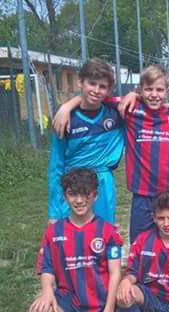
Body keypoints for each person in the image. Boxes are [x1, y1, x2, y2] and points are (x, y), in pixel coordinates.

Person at [53, 65, 169, 243]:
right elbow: (97, 97)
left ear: (167, 91)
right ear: (140, 90)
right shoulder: (130, 108)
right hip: (142, 192)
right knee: (139, 243)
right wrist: (66, 107)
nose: (154, 94)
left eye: (160, 90)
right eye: (148, 89)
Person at [29, 168, 123, 312]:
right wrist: (47, 293)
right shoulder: (54, 231)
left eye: (85, 194)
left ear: (95, 195)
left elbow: (116, 274)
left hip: (96, 303)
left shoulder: (107, 232)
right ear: (65, 196)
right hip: (68, 298)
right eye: (73, 194)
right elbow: (46, 266)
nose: (79, 200)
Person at [47, 58, 124, 224]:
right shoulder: (65, 119)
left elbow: (143, 99)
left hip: (102, 185)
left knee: (102, 233)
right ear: (80, 82)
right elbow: (56, 166)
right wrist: (54, 212)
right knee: (73, 236)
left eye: (102, 86)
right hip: (74, 184)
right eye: (92, 83)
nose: (96, 90)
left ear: (109, 90)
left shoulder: (117, 114)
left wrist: (68, 104)